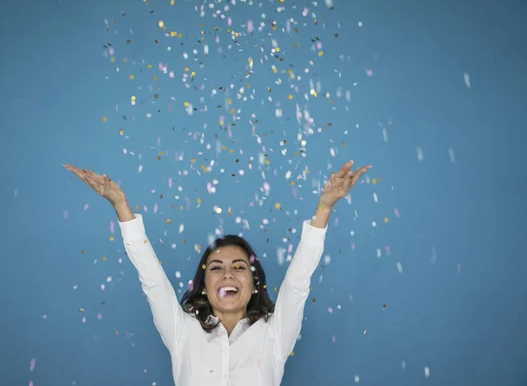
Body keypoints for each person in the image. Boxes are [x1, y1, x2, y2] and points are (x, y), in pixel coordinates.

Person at [64, 160, 371, 386]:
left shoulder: (275, 334)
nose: (227, 275)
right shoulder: (181, 331)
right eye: (216, 268)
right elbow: (152, 279)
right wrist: (120, 204)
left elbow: (298, 281)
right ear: (203, 285)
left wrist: (325, 205)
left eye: (239, 267)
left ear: (254, 285)